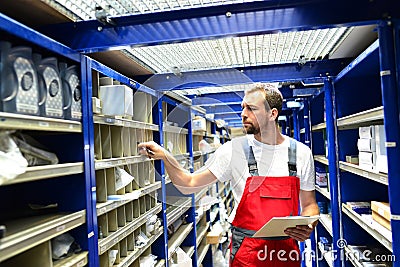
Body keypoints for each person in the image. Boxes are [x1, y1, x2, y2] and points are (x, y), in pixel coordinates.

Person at [138, 83, 319, 266]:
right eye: (243, 108)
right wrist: (165, 156)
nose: (243, 114)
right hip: (247, 254)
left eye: (251, 109)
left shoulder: (301, 154)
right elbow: (189, 183)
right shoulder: (233, 151)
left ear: (272, 114)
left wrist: (308, 225)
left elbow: (310, 205)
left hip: (285, 254)